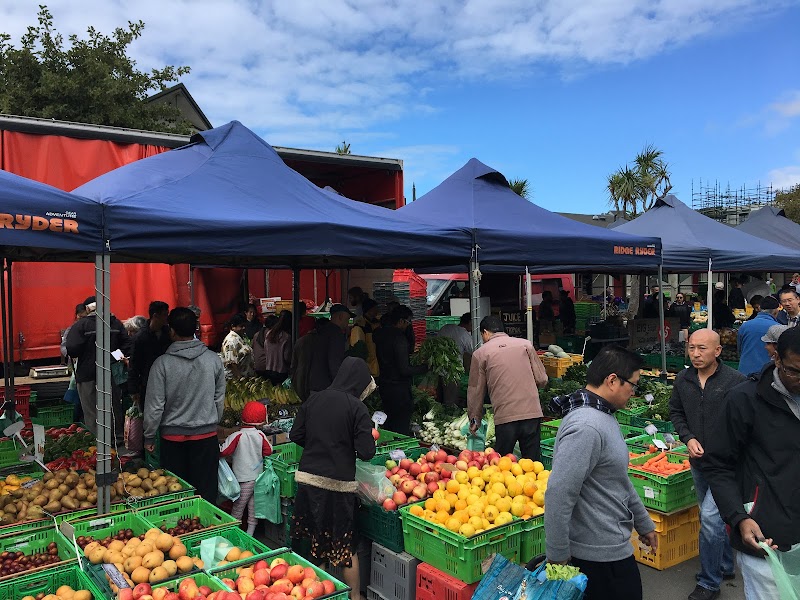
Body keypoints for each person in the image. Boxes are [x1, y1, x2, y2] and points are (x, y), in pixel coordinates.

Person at [545, 345, 657, 600]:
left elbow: (618, 479)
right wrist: (558, 558)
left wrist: (643, 522)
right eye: (633, 385)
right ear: (612, 381)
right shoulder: (587, 427)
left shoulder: (603, 416)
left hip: (611, 548)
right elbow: (559, 493)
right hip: (594, 558)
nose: (634, 393)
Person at [705, 326, 800, 599]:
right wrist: (739, 517)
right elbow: (718, 464)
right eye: (794, 371)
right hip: (766, 539)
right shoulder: (745, 399)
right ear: (777, 359)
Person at [290, 357, 376, 600]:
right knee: (345, 547)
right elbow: (367, 452)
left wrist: (319, 445)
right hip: (338, 486)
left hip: (308, 482)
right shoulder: (356, 408)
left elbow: (295, 433)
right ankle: (355, 598)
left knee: (317, 543)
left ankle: (319, 594)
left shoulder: (314, 398)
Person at [669, 330, 747, 600]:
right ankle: (725, 565)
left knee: (712, 520)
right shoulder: (683, 379)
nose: (696, 354)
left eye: (702, 348)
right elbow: (676, 412)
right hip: (698, 462)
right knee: (710, 515)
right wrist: (688, 438)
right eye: (691, 348)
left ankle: (709, 582)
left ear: (717, 351)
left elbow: (746, 422)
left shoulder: (736, 381)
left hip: (727, 465)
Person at [144, 307, 225, 502]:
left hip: (173, 439)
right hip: (206, 437)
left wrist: (148, 436)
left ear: (171, 330)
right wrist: (213, 420)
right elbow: (219, 398)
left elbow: (155, 405)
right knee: (206, 494)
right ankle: (208, 530)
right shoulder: (213, 360)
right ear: (195, 329)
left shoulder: (162, 364)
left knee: (175, 493)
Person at [467, 315, 548, 459]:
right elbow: (542, 379)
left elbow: (476, 390)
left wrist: (475, 419)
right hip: (532, 413)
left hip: (505, 417)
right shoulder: (526, 345)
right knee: (533, 464)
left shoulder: (480, 354)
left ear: (485, 333)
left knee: (502, 464)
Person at [65, 296, 131, 440]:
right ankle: (116, 438)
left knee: (91, 410)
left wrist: (86, 354)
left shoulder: (81, 325)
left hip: (87, 373)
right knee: (113, 407)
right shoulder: (115, 323)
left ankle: (97, 440)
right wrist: (113, 357)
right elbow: (127, 345)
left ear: (88, 309)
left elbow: (72, 349)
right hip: (110, 373)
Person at [220, 401, 273, 535]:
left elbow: (223, 451)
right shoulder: (260, 436)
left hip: (243, 480)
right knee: (253, 508)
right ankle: (250, 533)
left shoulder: (237, 436)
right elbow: (268, 451)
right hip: (257, 478)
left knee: (238, 508)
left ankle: (234, 532)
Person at [375, 308, 427, 435]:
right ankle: (399, 450)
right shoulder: (399, 338)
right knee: (401, 424)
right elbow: (404, 369)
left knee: (390, 421)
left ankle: (389, 446)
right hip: (398, 389)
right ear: (400, 321)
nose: (409, 325)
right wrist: (424, 367)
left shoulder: (380, 334)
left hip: (385, 385)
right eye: (408, 322)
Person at [129, 301, 171, 410]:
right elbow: (134, 365)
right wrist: (134, 389)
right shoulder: (140, 338)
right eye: (165, 314)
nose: (167, 317)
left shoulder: (169, 334)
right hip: (147, 383)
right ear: (155, 316)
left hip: (168, 381)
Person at [736, 296, 780, 376]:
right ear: (775, 311)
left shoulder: (745, 326)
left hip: (745, 372)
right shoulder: (778, 328)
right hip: (767, 374)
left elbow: (739, 349)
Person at [291, 317, 325, 402]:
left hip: (301, 380)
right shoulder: (322, 341)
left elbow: (293, 365)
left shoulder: (300, 341)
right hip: (318, 383)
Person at [349, 298, 381, 376]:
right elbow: (357, 350)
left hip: (376, 368)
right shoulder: (359, 327)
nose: (377, 311)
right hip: (366, 370)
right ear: (369, 310)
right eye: (375, 309)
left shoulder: (376, 324)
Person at [221, 314, 255, 380]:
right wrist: (240, 379)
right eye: (241, 326)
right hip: (236, 380)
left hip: (246, 377)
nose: (244, 328)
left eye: (244, 326)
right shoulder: (231, 341)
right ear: (233, 326)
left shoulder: (241, 337)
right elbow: (231, 363)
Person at [263, 310, 292, 385]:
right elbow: (287, 357)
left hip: (269, 369)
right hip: (281, 372)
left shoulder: (269, 333)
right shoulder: (286, 337)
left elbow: (265, 350)